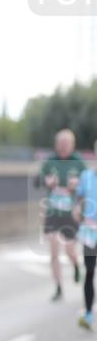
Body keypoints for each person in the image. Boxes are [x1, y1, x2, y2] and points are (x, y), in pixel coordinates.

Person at [41, 129, 87, 301]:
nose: (62, 147)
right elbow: (38, 180)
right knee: (53, 250)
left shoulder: (78, 162)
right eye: (60, 143)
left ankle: (76, 265)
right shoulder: (50, 161)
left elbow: (88, 186)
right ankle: (58, 287)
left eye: (66, 144)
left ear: (72, 145)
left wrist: (78, 185)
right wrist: (46, 182)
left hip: (70, 214)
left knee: (69, 250)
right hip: (53, 212)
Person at [75, 139, 97, 331]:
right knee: (89, 272)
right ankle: (89, 313)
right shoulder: (86, 176)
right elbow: (79, 198)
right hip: (90, 232)